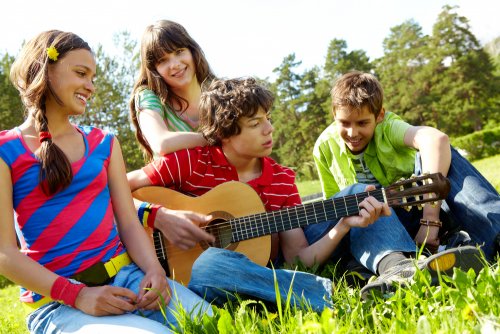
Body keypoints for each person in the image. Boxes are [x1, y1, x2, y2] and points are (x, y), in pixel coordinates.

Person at [128, 77, 481, 309]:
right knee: (210, 263)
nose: (270, 129)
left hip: (270, 268)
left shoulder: (280, 178)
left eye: (268, 118)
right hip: (191, 278)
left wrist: (342, 225)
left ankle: (400, 271)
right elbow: (113, 191)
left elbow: (299, 258)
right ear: (225, 133)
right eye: (256, 124)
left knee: (359, 193)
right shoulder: (188, 162)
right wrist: (158, 215)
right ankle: (323, 296)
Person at [0, 30, 211, 334]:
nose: (90, 86)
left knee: (215, 323)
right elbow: (5, 254)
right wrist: (79, 295)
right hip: (57, 304)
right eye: (81, 73)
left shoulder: (104, 144)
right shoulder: (6, 151)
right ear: (44, 70)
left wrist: (153, 270)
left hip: (128, 279)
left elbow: (127, 222)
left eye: (93, 77)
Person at [313, 71, 497, 295]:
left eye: (362, 123)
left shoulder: (387, 126)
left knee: (443, 156)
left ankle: (492, 234)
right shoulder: (324, 147)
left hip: (420, 210)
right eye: (344, 123)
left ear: (379, 115)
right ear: (334, 114)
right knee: (359, 197)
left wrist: (430, 220)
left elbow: (435, 139)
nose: (353, 132)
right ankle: (403, 266)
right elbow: (335, 207)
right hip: (376, 231)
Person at [129, 19, 215, 250]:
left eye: (179, 52)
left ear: (192, 50)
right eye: (163, 60)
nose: (175, 64)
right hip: (175, 208)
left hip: (221, 200)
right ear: (153, 68)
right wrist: (214, 138)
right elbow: (161, 142)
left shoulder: (220, 93)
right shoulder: (149, 97)